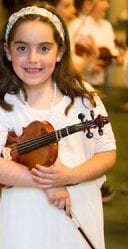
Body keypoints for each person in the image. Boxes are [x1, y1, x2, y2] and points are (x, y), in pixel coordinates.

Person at [0, 5, 116, 249]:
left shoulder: (83, 96)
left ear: (60, 51)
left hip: (78, 203)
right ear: (8, 51)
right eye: (22, 48)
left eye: (44, 48)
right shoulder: (1, 102)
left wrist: (70, 176)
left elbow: (107, 153)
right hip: (26, 211)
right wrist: (49, 183)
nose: (33, 59)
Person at [69, 0, 124, 203]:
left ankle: (95, 180)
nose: (106, 6)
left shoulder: (107, 26)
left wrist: (110, 59)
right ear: (88, 4)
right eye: (101, 1)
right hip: (75, 86)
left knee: (98, 134)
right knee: (78, 134)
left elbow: (112, 55)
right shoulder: (75, 26)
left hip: (96, 87)